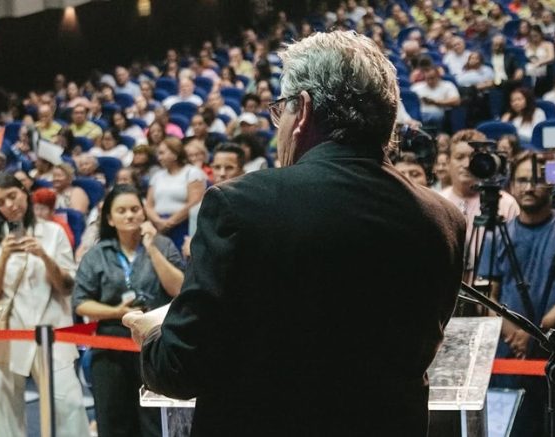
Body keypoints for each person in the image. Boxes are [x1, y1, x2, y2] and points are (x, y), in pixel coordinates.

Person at [122, 31, 466, 436]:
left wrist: (152, 335)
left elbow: (178, 368)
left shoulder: (239, 206)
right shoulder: (443, 219)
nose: (278, 127)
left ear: (301, 110)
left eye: (279, 111)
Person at [479, 152, 555, 437]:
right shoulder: (497, 235)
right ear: (511, 186)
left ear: (552, 183)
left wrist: (536, 332)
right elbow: (488, 296)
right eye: (521, 180)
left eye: (536, 180)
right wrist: (515, 333)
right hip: (509, 352)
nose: (528, 187)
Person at [0, 172, 90, 437]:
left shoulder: (53, 232)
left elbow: (67, 286)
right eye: (1, 202)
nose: (9, 205)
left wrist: (43, 255)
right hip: (4, 332)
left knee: (69, 406)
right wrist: (3, 257)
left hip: (51, 330)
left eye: (12, 196)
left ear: (24, 193)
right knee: (4, 417)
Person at [73, 184, 184, 437]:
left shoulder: (163, 245)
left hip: (155, 341)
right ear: (110, 219)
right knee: (113, 419)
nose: (130, 215)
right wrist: (116, 311)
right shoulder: (97, 254)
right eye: (121, 211)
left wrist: (152, 247)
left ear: (143, 213)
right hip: (110, 343)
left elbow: (179, 289)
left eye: (135, 209)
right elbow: (81, 302)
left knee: (154, 422)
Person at [440, 129, 520, 283]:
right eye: (459, 157)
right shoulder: (438, 200)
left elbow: (515, 257)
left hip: (494, 286)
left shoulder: (505, 203)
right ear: (448, 162)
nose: (466, 164)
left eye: (473, 157)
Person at [145, 137, 206, 250]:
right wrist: (158, 222)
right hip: (158, 227)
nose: (159, 158)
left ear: (175, 154)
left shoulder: (192, 172)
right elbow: (149, 205)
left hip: (183, 225)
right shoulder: (157, 176)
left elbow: (195, 202)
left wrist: (169, 222)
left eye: (162, 153)